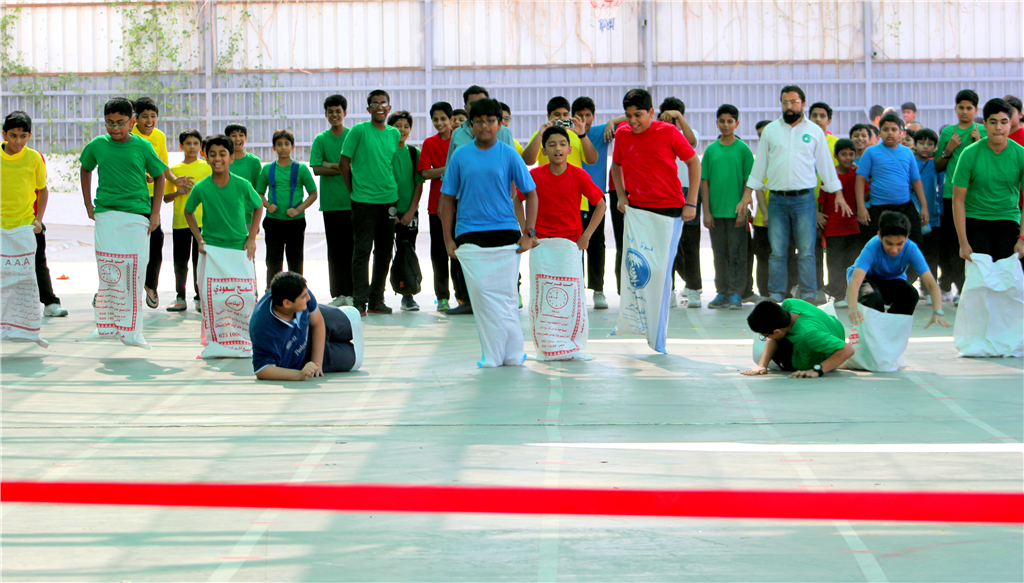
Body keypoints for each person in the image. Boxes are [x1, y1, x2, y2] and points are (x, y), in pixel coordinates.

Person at [439, 98, 538, 366]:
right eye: (479, 122)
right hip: (469, 233)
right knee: (482, 295)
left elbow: (531, 193)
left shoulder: (509, 154)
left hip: (505, 232)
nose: (485, 126)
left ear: (499, 124)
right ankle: (493, 355)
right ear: (471, 126)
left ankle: (513, 354)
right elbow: (446, 200)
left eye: (490, 121)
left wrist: (528, 233)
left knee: (507, 298)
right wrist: (448, 239)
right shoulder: (460, 156)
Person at [744, 85, 851, 304]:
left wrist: (838, 194)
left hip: (804, 200)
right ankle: (776, 295)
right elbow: (760, 165)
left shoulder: (814, 131)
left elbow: (826, 166)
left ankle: (808, 294)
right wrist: (747, 194)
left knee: (806, 251)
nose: (789, 106)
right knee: (777, 251)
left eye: (794, 102)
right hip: (776, 200)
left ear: (803, 104)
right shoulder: (771, 131)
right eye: (785, 102)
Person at [441, 85, 519, 315]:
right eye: (473, 104)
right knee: (466, 259)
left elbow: (513, 172)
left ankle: (509, 299)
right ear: (466, 107)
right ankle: (467, 300)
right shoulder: (458, 135)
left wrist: (510, 199)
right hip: (466, 206)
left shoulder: (503, 134)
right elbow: (450, 169)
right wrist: (445, 205)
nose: (484, 124)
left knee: (502, 267)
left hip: (499, 211)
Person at [340, 90, 401, 315]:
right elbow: (344, 163)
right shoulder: (359, 131)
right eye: (375, 104)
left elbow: (390, 164)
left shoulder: (394, 134)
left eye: (383, 103)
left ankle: (377, 299)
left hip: (389, 199)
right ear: (369, 109)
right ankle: (360, 301)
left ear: (389, 108)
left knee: (384, 253)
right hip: (363, 201)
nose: (379, 107)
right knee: (362, 251)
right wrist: (353, 190)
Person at [131, 97, 193, 309]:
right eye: (144, 116)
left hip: (151, 196)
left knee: (155, 239)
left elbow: (162, 164)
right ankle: (114, 287)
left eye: (153, 116)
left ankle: (150, 285)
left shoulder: (158, 136)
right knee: (132, 243)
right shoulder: (129, 135)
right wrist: (142, 175)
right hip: (132, 197)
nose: (149, 121)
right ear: (135, 118)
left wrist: (175, 181)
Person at [854, 113, 928, 285]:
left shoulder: (907, 153)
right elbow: (860, 179)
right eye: (886, 129)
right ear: (879, 132)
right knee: (879, 247)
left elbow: (916, 181)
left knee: (916, 241)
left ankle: (904, 283)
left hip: (905, 207)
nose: (890, 133)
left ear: (901, 132)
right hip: (879, 208)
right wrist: (861, 207)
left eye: (894, 129)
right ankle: (879, 284)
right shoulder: (871, 152)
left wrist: (924, 207)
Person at [846, 212, 950, 331]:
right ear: (880, 236)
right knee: (872, 297)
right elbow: (855, 281)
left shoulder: (911, 248)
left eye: (899, 244)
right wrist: (852, 307)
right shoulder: (872, 247)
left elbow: (931, 284)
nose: (894, 250)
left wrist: (938, 311)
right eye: (889, 243)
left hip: (892, 280)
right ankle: (872, 330)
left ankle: (891, 329)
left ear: (906, 237)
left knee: (911, 295)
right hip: (867, 279)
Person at [250, 272, 364, 380]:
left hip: (314, 323)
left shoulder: (297, 290)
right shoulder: (262, 328)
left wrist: (317, 363)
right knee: (354, 358)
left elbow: (318, 322)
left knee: (352, 323)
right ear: (287, 303)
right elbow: (262, 370)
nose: (309, 297)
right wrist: (300, 374)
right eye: (304, 296)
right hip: (302, 356)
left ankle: (343, 318)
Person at [952, 98, 1024, 265]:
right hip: (976, 219)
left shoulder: (1020, 154)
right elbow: (957, 200)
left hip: (1008, 219)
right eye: (993, 122)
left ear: (1010, 124)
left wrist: (1022, 239)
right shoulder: (969, 153)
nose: (998, 127)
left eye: (1003, 122)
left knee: (1005, 273)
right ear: (984, 124)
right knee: (981, 271)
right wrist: (963, 242)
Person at [935, 89, 986, 305]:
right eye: (961, 107)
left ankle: (977, 290)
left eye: (969, 108)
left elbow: (989, 161)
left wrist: (978, 142)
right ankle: (960, 289)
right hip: (952, 195)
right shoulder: (949, 132)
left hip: (978, 196)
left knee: (977, 243)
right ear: (955, 109)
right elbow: (937, 165)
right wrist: (948, 149)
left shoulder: (983, 131)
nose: (965, 111)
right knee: (955, 244)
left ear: (976, 110)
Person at [702, 104, 754, 310]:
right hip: (716, 214)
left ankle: (736, 293)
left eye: (730, 121)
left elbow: (749, 182)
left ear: (737, 124)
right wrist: (706, 212)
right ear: (716, 123)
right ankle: (722, 292)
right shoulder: (711, 150)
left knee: (737, 255)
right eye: (722, 121)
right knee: (719, 254)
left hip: (736, 214)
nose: (726, 125)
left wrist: (743, 209)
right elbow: (704, 182)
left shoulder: (743, 150)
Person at [1, 111, 50, 325]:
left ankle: (24, 322)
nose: (18, 141)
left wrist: (38, 220)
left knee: (24, 276)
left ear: (29, 136)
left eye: (23, 136)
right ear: (4, 135)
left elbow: (42, 189)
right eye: (13, 136)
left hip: (23, 227)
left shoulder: (34, 158)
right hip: (1, 228)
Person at [182, 134, 262, 260]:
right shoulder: (200, 187)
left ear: (231, 158)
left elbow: (258, 205)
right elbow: (188, 211)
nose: (217, 159)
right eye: (212, 155)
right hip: (210, 248)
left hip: (239, 246)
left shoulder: (243, 184)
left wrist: (251, 238)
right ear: (207, 158)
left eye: (222, 154)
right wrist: (199, 239)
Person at [657, 97, 704, 307]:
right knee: (667, 246)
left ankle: (694, 289)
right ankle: (669, 290)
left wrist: (678, 119)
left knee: (690, 244)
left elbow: (692, 143)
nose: (670, 121)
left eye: (674, 117)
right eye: (667, 116)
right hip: (665, 193)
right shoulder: (657, 135)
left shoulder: (688, 133)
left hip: (687, 193)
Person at [256, 129, 318, 288]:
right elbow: (259, 193)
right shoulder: (267, 169)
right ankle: (272, 291)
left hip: (295, 222)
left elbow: (313, 194)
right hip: (273, 222)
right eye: (279, 144)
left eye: (286, 144)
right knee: (273, 261)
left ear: (293, 147)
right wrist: (267, 205)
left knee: (295, 260)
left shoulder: (301, 168)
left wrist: (298, 209)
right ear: (273, 148)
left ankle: (297, 291)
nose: (283, 147)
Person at [418, 101, 464, 312]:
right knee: (439, 254)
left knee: (459, 252)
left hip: (461, 205)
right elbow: (425, 173)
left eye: (443, 119)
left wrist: (443, 170)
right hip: (436, 206)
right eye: (435, 119)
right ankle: (442, 297)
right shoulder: (429, 143)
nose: (439, 123)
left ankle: (462, 296)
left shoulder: (461, 141)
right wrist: (448, 168)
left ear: (451, 119)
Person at [310, 94, 355, 307]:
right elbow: (317, 168)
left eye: (338, 111)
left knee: (354, 250)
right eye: (330, 112)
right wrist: (341, 166)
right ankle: (338, 293)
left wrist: (330, 164)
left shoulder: (353, 136)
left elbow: (356, 166)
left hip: (354, 201)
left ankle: (354, 293)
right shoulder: (321, 139)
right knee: (335, 251)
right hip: (331, 204)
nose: (334, 115)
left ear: (345, 113)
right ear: (326, 114)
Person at [742, 299, 854, 378]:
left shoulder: (808, 334)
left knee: (777, 349)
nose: (765, 338)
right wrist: (761, 365)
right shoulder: (790, 303)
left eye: (765, 335)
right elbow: (775, 335)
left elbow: (848, 350)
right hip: (832, 331)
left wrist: (817, 370)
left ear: (777, 331)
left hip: (820, 354)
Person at [163, 129, 211, 312]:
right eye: (188, 143)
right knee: (180, 261)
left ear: (201, 146)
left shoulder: (207, 167)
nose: (192, 147)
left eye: (196, 143)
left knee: (200, 261)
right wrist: (178, 192)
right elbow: (166, 198)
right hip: (181, 222)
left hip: (202, 222)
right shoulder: (174, 170)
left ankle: (200, 297)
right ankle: (180, 297)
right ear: (181, 146)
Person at [387, 110, 426, 311]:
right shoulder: (384, 151)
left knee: (408, 251)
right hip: (386, 211)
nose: (402, 130)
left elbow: (419, 184)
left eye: (406, 126)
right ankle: (377, 295)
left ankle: (407, 295)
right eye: (397, 126)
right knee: (383, 252)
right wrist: (391, 212)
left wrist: (411, 211)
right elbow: (381, 182)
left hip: (409, 213)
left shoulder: (414, 153)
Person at [821, 139, 862, 306]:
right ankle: (837, 295)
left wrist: (867, 176)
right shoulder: (829, 176)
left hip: (852, 225)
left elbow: (865, 194)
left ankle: (851, 294)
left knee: (853, 261)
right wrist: (820, 217)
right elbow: (822, 200)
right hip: (833, 226)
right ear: (836, 156)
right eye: (843, 154)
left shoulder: (857, 174)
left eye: (851, 154)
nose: (848, 157)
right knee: (835, 262)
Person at [913, 128, 944, 294]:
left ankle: (930, 289)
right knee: (913, 254)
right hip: (912, 216)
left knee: (932, 255)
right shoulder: (909, 161)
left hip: (933, 218)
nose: (925, 147)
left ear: (935, 147)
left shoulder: (936, 165)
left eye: (930, 144)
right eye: (921, 143)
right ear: (915, 145)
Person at [747, 119, 774, 301]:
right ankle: (764, 293)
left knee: (782, 256)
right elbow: (758, 190)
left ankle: (782, 291)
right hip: (762, 220)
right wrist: (765, 214)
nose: (762, 138)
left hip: (784, 219)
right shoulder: (760, 161)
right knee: (763, 258)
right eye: (759, 135)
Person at [225, 124, 263, 188]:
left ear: (245, 138)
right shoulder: (223, 161)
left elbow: (259, 189)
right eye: (234, 136)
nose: (238, 139)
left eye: (241, 135)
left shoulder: (254, 161)